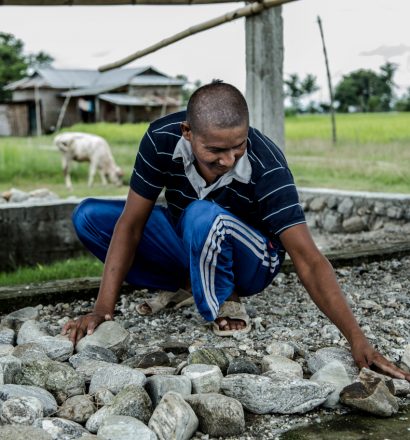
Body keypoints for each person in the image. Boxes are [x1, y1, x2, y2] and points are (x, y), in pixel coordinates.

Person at [63, 81, 410, 381]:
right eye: (214, 150)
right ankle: (188, 282)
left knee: (202, 216)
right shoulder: (161, 140)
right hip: (192, 235)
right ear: (187, 133)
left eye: (237, 146)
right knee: (89, 216)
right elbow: (132, 224)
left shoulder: (266, 165)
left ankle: (225, 298)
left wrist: (356, 338)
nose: (228, 159)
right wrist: (102, 309)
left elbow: (307, 258)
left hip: (255, 260)